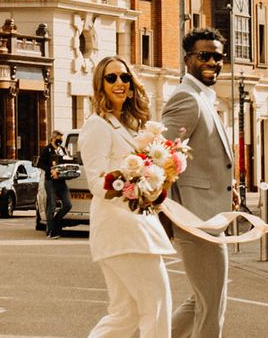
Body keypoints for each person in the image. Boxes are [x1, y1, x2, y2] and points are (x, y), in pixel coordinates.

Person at [79, 56, 174, 337]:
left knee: (124, 316)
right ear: (101, 85)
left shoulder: (130, 127)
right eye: (111, 78)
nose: (119, 83)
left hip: (132, 231)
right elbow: (97, 182)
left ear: (132, 85)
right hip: (122, 231)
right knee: (157, 306)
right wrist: (136, 192)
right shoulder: (97, 125)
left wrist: (154, 187)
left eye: (124, 77)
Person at [162, 28, 235, 338]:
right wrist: (168, 215)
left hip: (207, 217)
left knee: (201, 301)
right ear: (187, 59)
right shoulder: (186, 98)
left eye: (218, 56)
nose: (212, 62)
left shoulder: (204, 97)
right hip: (195, 219)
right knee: (211, 304)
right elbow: (161, 160)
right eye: (204, 55)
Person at [37, 130, 72, 239]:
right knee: (51, 205)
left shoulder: (62, 150)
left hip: (61, 181)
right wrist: (50, 170)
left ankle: (56, 222)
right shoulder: (46, 150)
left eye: (61, 138)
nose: (60, 140)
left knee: (67, 204)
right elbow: (40, 163)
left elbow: (67, 161)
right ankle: (51, 230)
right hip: (51, 181)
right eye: (59, 138)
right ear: (53, 138)